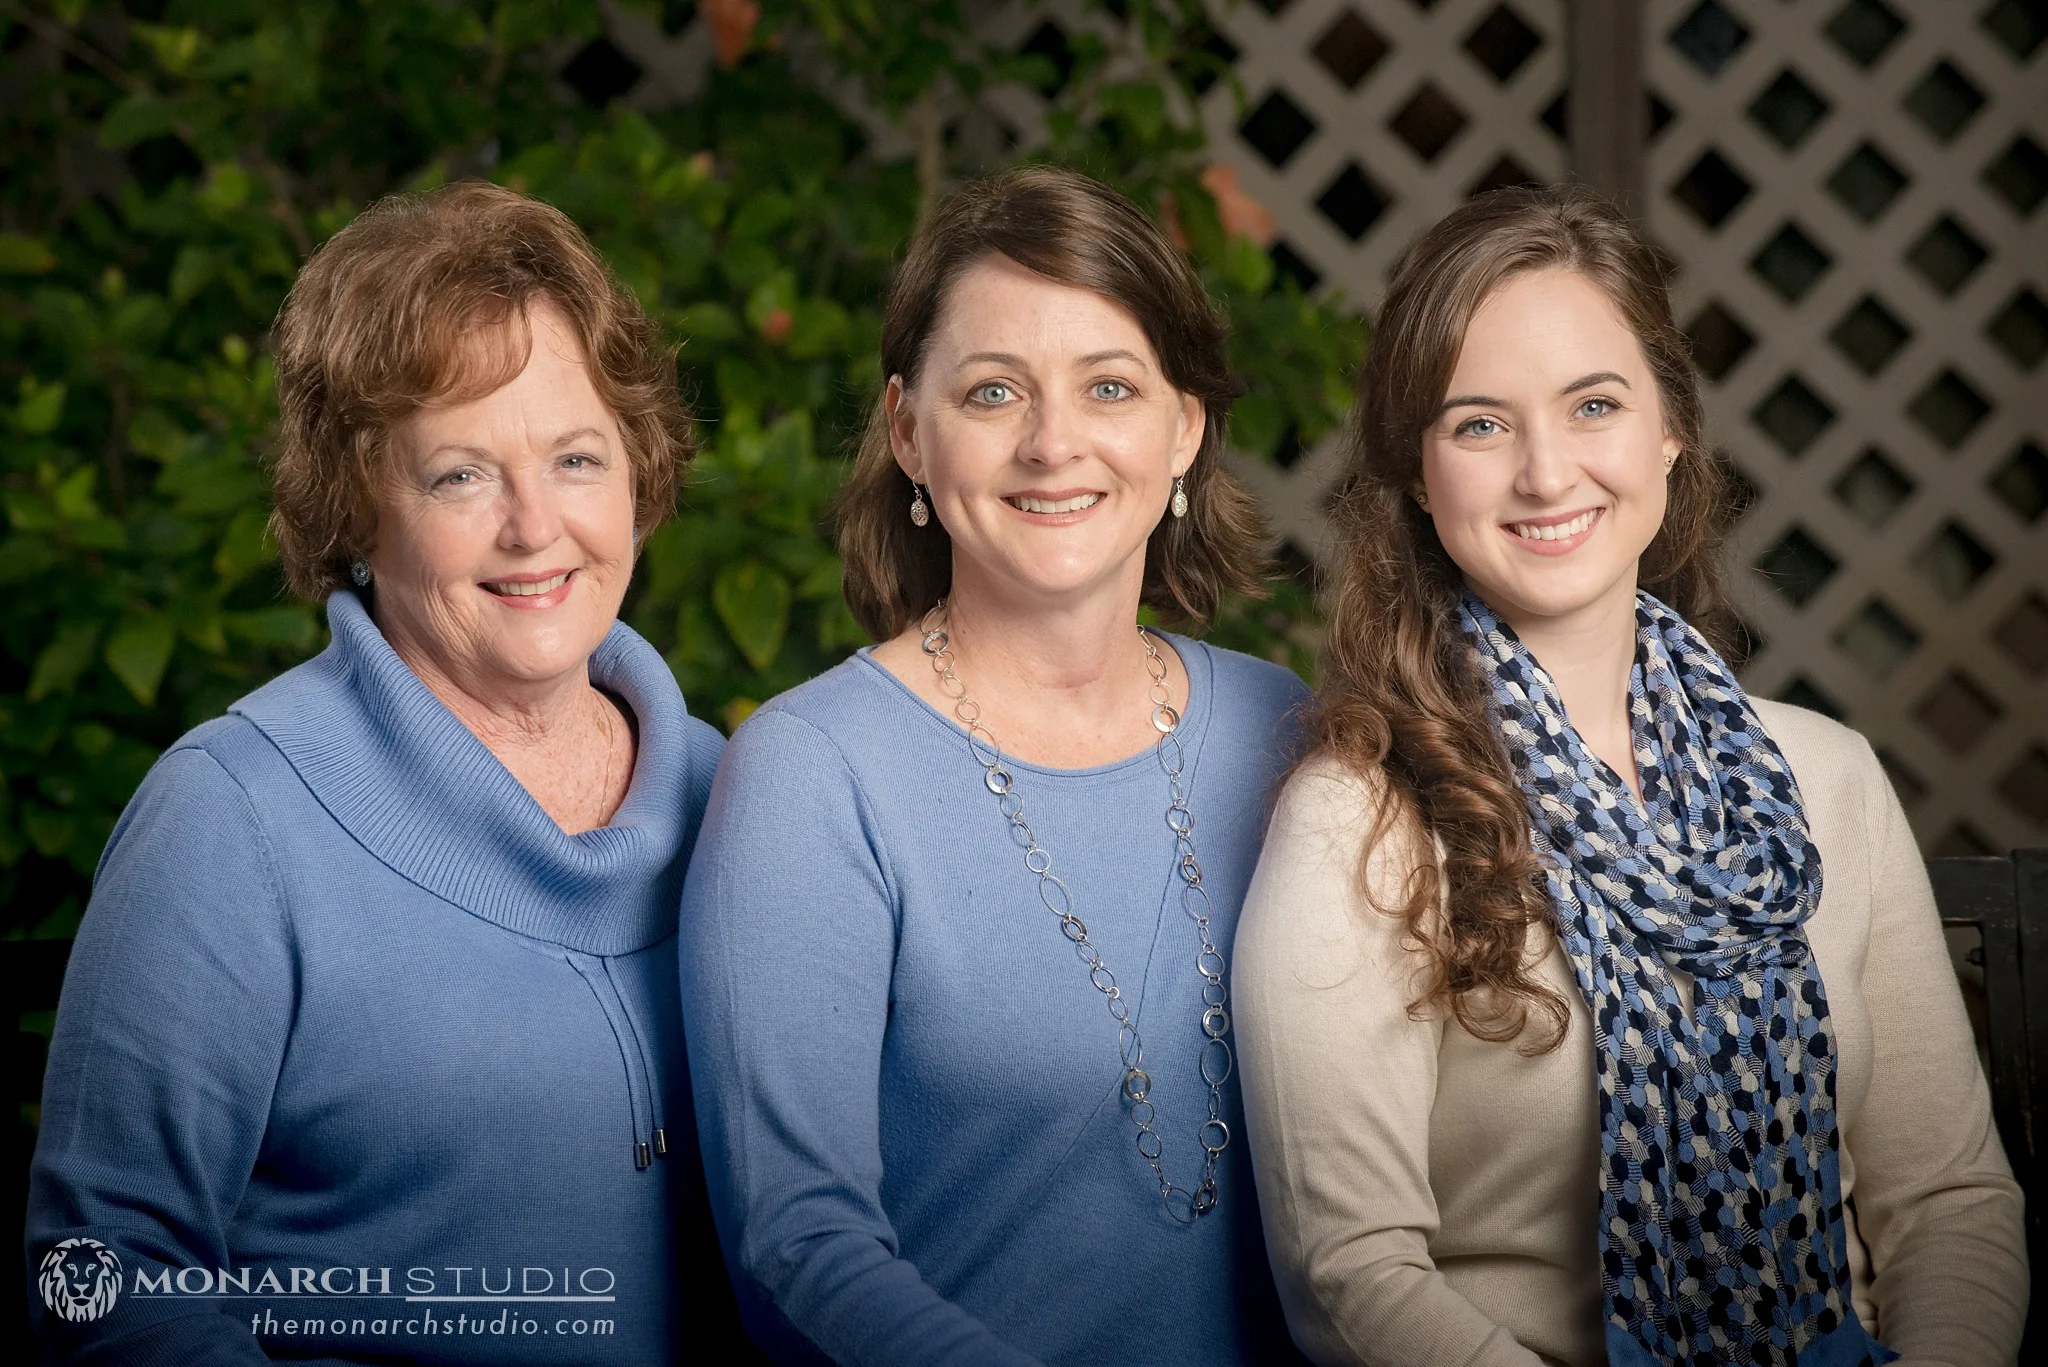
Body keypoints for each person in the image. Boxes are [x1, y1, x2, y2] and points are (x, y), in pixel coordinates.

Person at [1234, 186, 2028, 1367]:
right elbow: (1349, 1274)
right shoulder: (1360, 817)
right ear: (1414, 471)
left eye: (1591, 404)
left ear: (1667, 429)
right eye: (1478, 424)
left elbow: (1949, 1200)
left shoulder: (1825, 778)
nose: (1546, 472)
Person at [27, 182, 735, 1363]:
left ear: (639, 472)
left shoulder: (737, 793)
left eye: (574, 456)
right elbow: (89, 1278)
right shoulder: (231, 819)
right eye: (460, 474)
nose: (532, 525)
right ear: (356, 508)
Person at [680, 166, 1310, 1366]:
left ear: (1182, 426)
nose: (1051, 443)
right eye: (990, 392)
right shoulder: (812, 778)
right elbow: (795, 1243)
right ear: (909, 432)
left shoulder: (1286, 731)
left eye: (1108, 386)